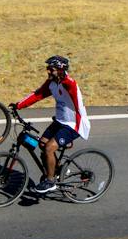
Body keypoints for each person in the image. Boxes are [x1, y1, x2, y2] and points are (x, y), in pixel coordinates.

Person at [13, 55, 88, 195]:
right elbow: (38, 94)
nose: (48, 71)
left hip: (74, 124)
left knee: (49, 148)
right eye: (48, 69)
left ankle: (50, 180)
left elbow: (71, 88)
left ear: (60, 70)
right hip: (60, 121)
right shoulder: (52, 83)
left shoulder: (69, 84)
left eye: (51, 69)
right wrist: (18, 105)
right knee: (41, 144)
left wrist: (64, 79)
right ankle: (58, 170)